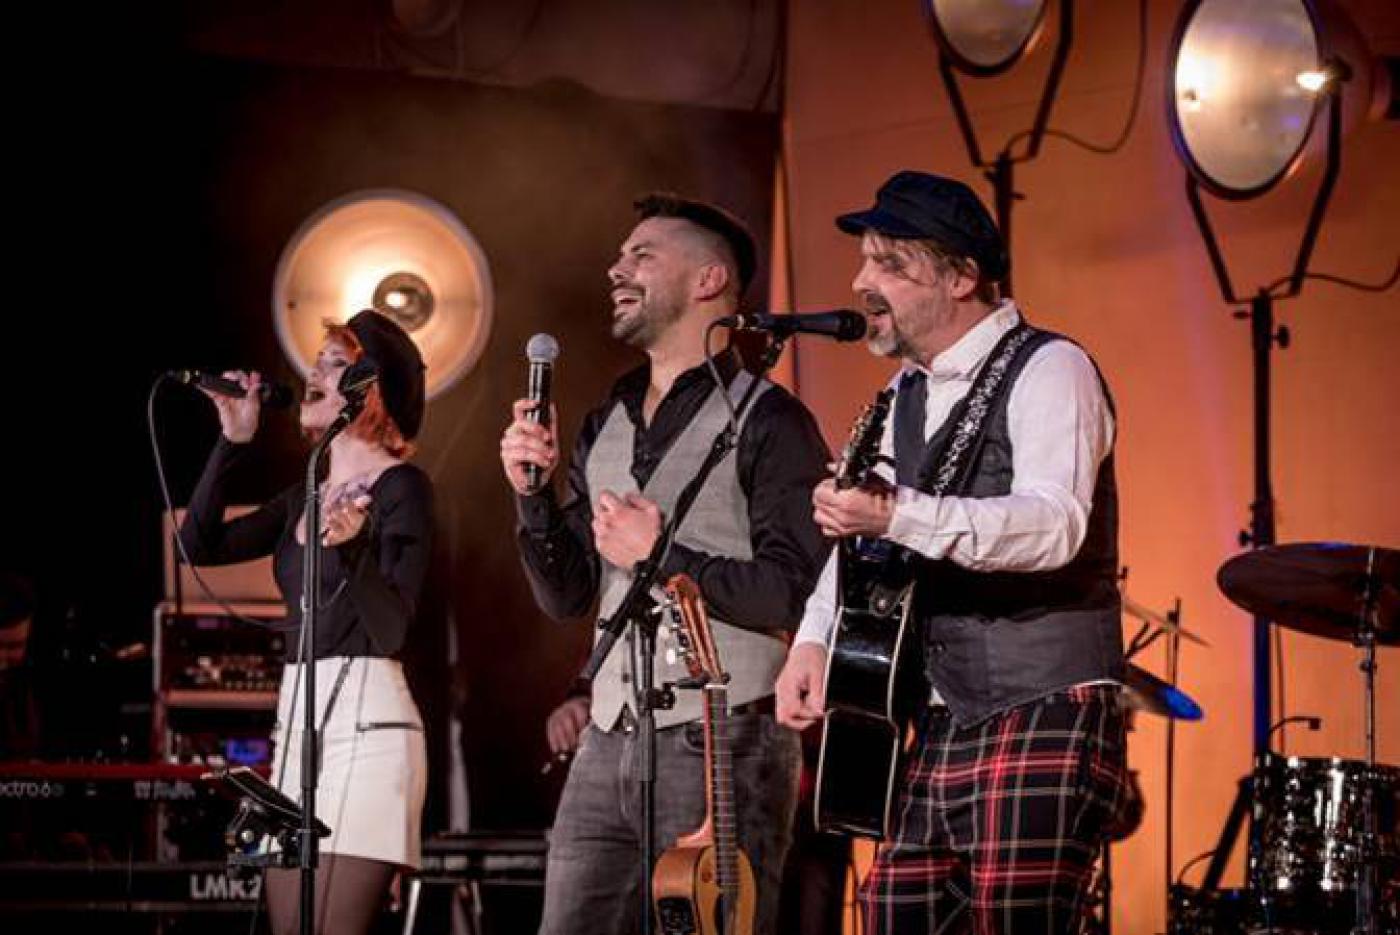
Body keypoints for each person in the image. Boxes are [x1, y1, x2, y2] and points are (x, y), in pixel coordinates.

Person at [775, 170, 1134, 934]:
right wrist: (813, 637)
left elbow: (1055, 523)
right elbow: (865, 537)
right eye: (865, 261)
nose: (861, 283)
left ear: (962, 277)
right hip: (935, 713)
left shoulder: (1052, 367)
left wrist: (896, 511)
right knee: (892, 911)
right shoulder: (901, 395)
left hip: (1042, 699)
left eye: (890, 264)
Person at [500, 192, 831, 935]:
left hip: (725, 737)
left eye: (642, 255)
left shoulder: (771, 420)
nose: (616, 269)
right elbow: (568, 595)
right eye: (621, 255)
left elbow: (794, 592)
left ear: (709, 279)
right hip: (608, 738)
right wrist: (532, 496)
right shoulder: (608, 417)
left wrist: (662, 556)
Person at [178, 309, 434, 935]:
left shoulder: (403, 488)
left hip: (370, 731)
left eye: (335, 363)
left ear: (371, 391)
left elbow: (393, 630)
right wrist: (232, 441)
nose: (313, 373)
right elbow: (196, 546)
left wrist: (353, 548)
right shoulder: (303, 497)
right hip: (295, 728)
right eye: (315, 362)